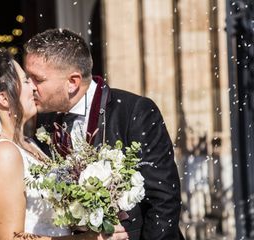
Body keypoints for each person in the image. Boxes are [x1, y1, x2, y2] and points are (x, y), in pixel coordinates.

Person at [0, 49, 128, 240]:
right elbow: (11, 238)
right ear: (4, 98)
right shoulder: (3, 153)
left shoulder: (29, 143)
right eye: (25, 81)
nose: (33, 87)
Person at [24, 28, 185, 240]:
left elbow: (164, 201)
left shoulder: (134, 111)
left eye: (38, 79)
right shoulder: (43, 120)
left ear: (73, 82)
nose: (30, 87)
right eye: (28, 77)